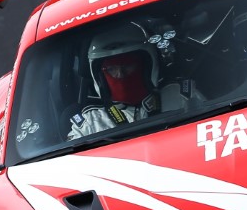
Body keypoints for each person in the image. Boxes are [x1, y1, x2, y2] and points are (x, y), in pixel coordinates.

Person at [66, 20, 197, 140]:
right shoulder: (89, 124)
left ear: (147, 66)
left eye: (128, 65)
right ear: (99, 77)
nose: (120, 74)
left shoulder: (181, 96)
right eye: (111, 69)